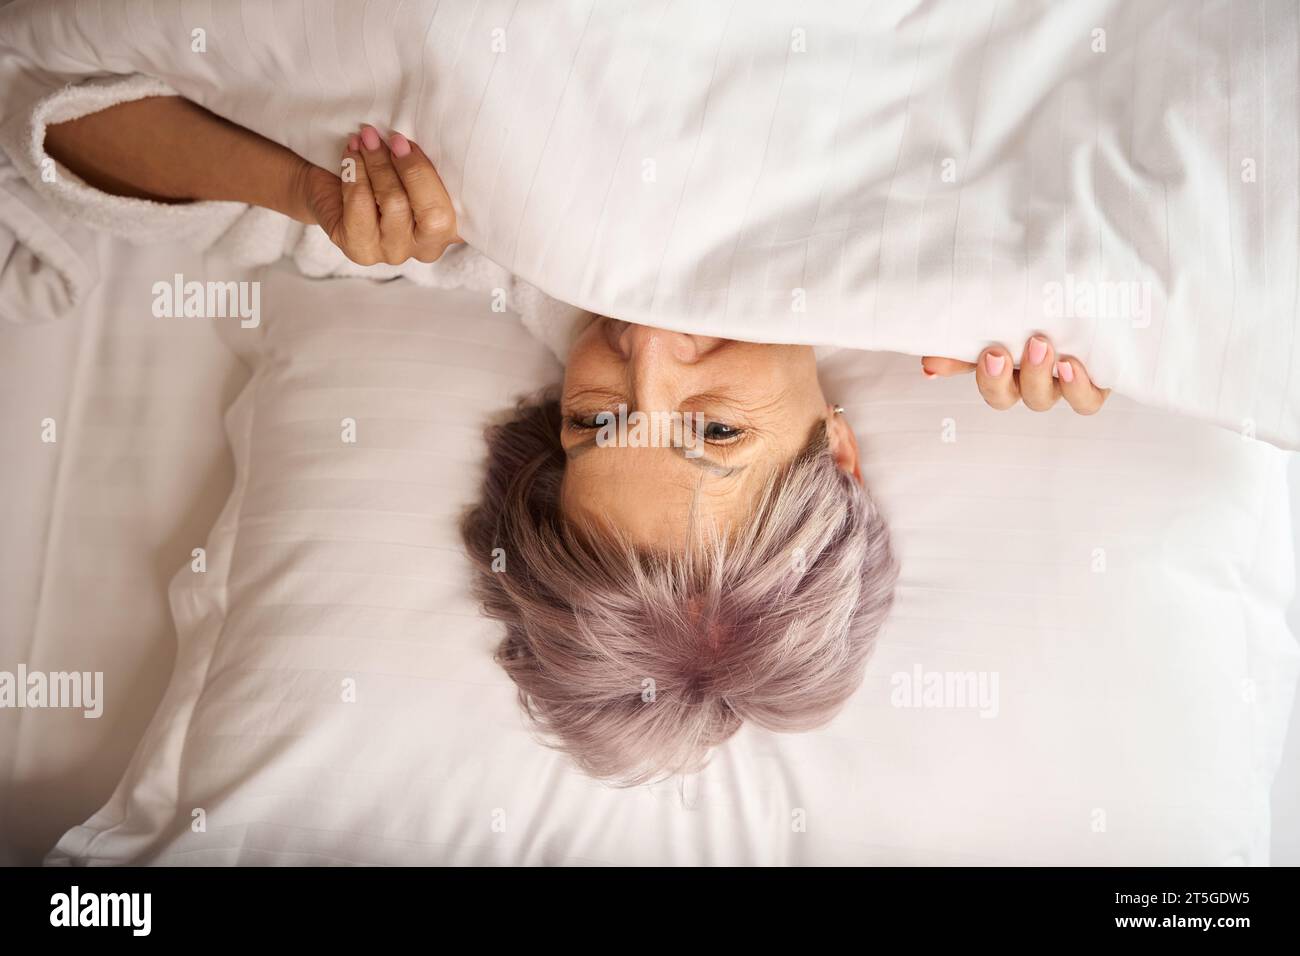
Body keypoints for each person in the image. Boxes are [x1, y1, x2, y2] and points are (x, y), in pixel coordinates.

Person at [43, 99, 1108, 782]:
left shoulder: (456, 238)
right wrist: (1088, 294)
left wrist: (305, 192)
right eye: (714, 426)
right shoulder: (941, 270)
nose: (642, 352)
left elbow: (58, 114)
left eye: (594, 421)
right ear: (837, 451)